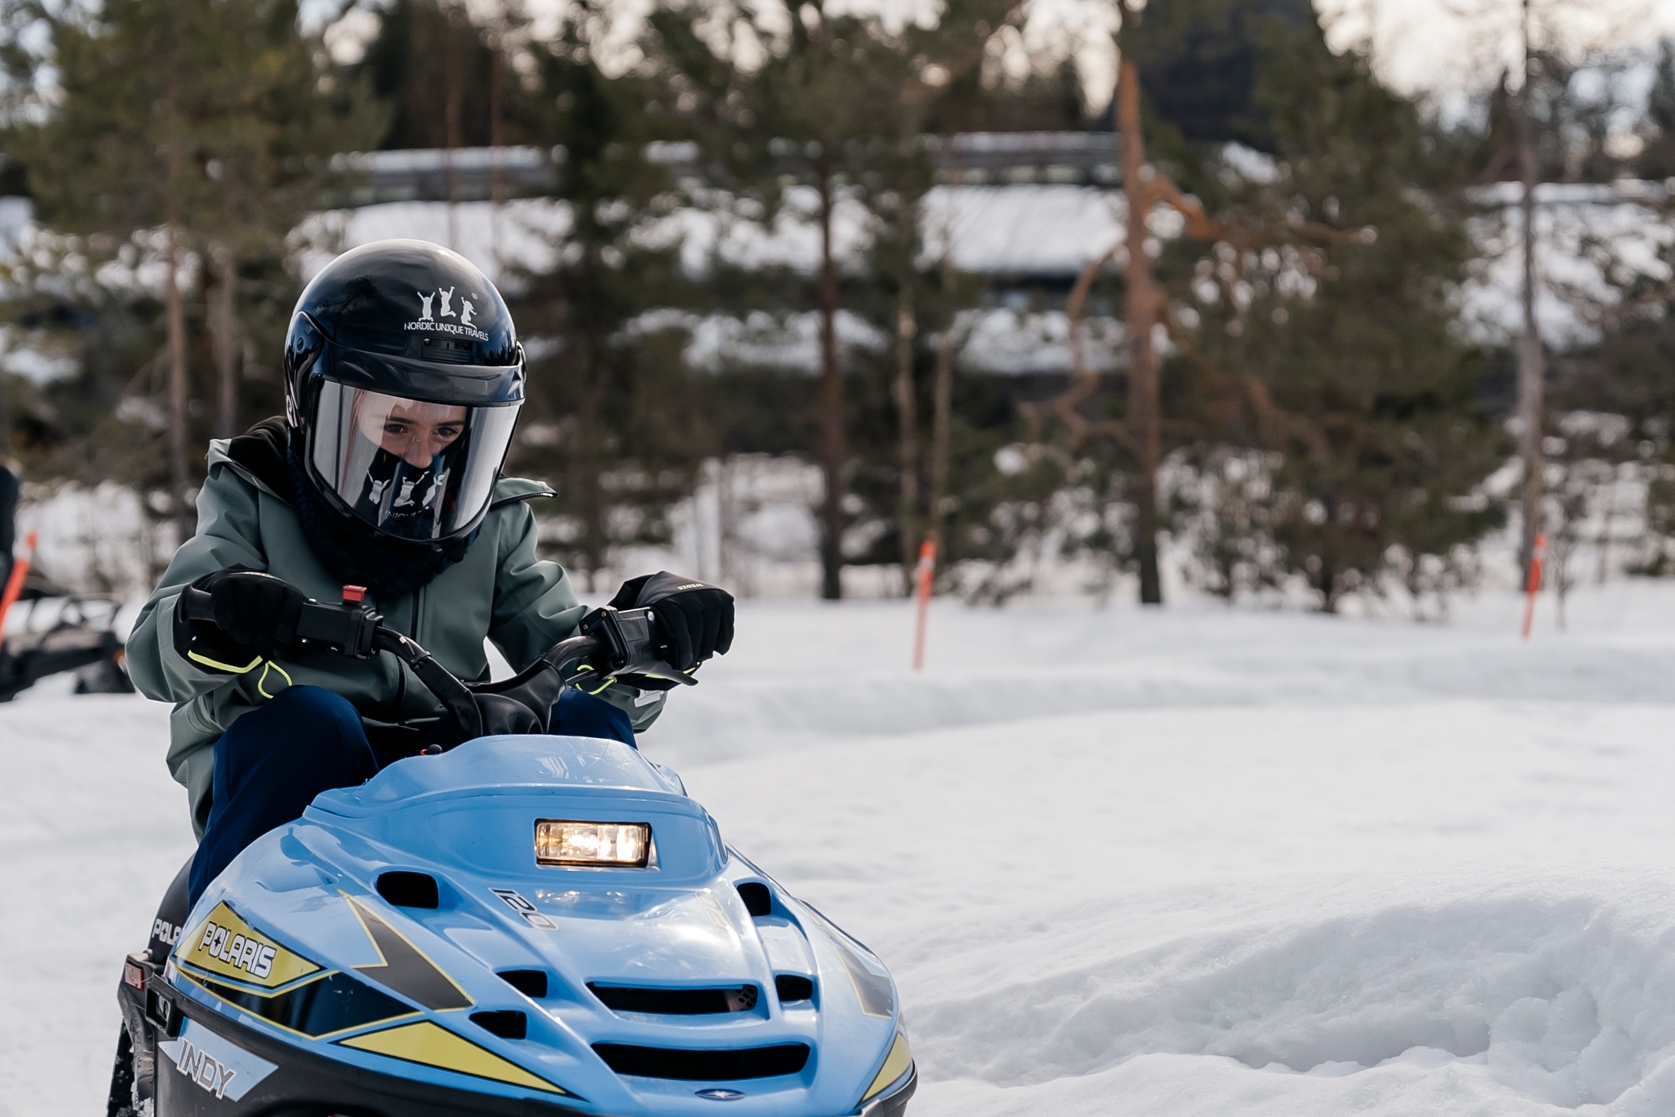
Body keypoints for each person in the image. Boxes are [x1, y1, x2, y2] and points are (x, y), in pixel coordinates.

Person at [126, 240, 734, 905]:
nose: (422, 459)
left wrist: (649, 632)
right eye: (395, 427)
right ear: (322, 405)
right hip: (292, 770)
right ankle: (225, 937)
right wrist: (214, 612)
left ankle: (620, 927)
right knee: (313, 721)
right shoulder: (256, 491)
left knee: (583, 718)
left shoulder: (488, 519)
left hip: (443, 771)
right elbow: (152, 652)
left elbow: (567, 651)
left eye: (447, 434)